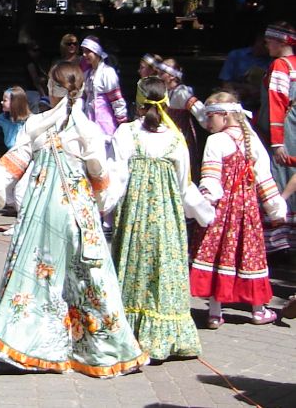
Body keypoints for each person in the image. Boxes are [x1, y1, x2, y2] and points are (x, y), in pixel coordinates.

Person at [0, 61, 148, 377]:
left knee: (36, 275)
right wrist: (102, 207)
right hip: (79, 213)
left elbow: (13, 164)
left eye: (50, 83)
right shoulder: (87, 128)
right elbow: (100, 176)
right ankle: (98, 347)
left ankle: (29, 345)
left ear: (52, 88)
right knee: (88, 278)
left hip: (42, 213)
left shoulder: (37, 124)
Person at [107, 77, 212, 361]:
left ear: (137, 103)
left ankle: (130, 333)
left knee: (135, 267)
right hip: (167, 221)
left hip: (135, 220)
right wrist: (204, 213)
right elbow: (183, 185)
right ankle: (166, 337)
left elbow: (117, 177)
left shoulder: (126, 133)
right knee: (162, 269)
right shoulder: (175, 139)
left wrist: (99, 205)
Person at [191, 91, 286, 328]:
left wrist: (203, 205)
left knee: (217, 255)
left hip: (222, 213)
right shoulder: (252, 140)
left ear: (224, 116)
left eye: (210, 118)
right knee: (249, 255)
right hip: (248, 213)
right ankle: (258, 311)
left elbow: (211, 179)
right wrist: (276, 209)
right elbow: (264, 179)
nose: (207, 123)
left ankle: (214, 313)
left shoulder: (215, 141)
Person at [262, 22, 296, 254]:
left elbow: (277, 102)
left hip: (286, 129)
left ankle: (278, 241)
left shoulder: (281, 65)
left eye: (269, 40)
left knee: (281, 176)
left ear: (281, 41)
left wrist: (277, 142)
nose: (266, 44)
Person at [155, 58, 207, 180]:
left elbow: (199, 110)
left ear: (172, 76)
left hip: (182, 136)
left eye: (162, 73)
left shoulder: (181, 93)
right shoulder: (165, 92)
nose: (158, 75)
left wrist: (208, 123)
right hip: (166, 135)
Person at [81, 35, 127, 138]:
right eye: (83, 51)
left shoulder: (107, 72)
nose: (84, 54)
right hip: (89, 118)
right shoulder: (87, 74)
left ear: (96, 51)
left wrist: (122, 120)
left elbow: (116, 99)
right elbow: (83, 97)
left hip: (106, 121)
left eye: (88, 51)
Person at [220, 31, 270, 115]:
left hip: (260, 101)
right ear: (257, 41)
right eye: (263, 43)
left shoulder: (272, 61)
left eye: (267, 44)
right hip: (237, 97)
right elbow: (225, 82)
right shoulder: (236, 55)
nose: (266, 47)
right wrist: (246, 88)